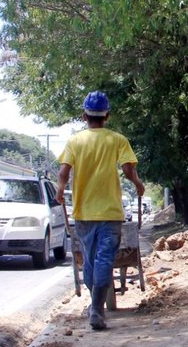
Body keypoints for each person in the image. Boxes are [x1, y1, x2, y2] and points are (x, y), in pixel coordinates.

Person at [56, 90, 145, 330]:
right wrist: (138, 184)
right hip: (110, 213)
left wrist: (59, 190)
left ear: (84, 116)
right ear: (107, 115)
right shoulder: (117, 139)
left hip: (84, 213)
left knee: (89, 261)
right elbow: (127, 169)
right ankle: (97, 309)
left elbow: (63, 172)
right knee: (104, 258)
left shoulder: (75, 141)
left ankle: (95, 306)